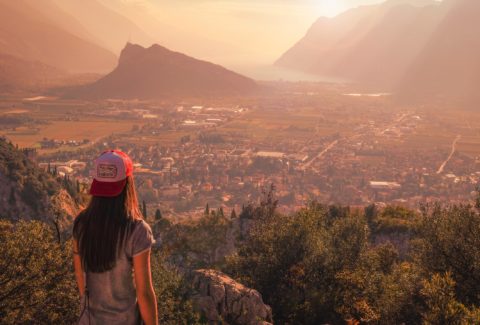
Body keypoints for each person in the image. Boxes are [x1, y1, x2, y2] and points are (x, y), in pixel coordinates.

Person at [72, 150, 158, 325]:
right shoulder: (137, 230)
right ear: (128, 184)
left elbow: (79, 274)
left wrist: (87, 307)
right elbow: (144, 293)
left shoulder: (81, 223)